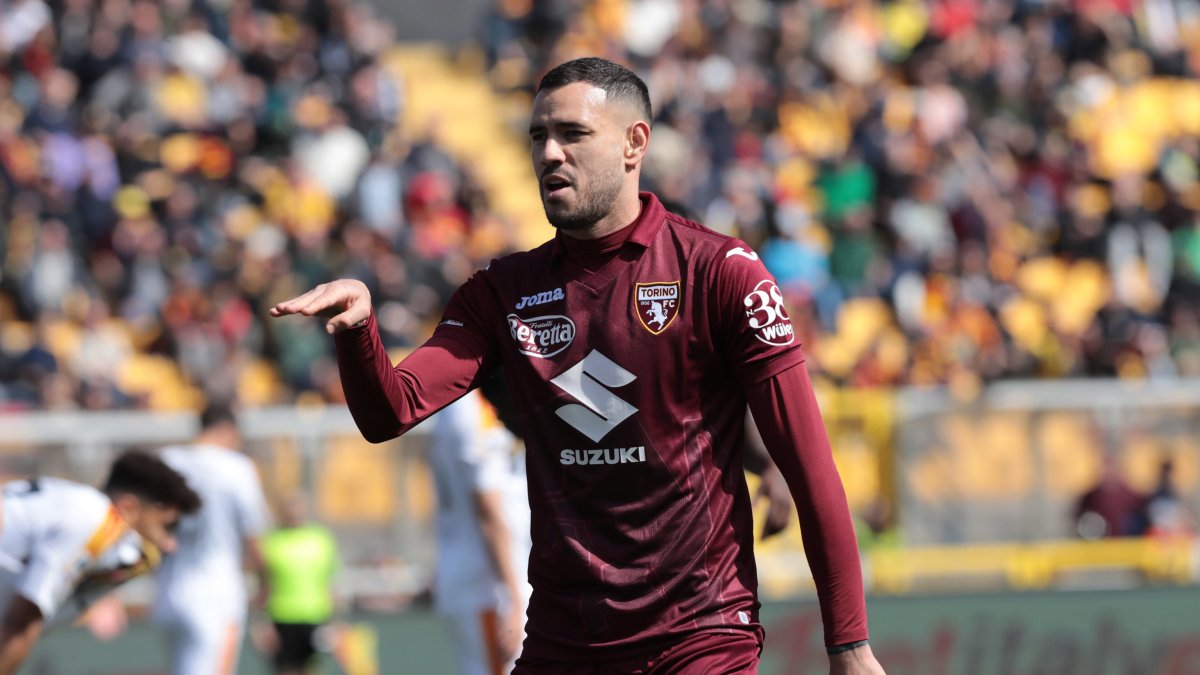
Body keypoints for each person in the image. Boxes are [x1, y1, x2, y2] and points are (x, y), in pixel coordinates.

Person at [272, 57, 885, 674]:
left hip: (700, 641)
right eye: (538, 136)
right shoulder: (502, 292)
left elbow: (811, 471)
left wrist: (850, 646)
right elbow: (389, 411)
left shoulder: (720, 272)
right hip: (564, 646)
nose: (549, 154)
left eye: (572, 133)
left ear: (633, 143)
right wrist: (358, 331)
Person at [0, 451, 201, 674]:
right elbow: (19, 627)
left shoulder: (77, 503)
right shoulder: (94, 518)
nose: (170, 545)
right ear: (129, 508)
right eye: (166, 527)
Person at [152, 401, 272, 675]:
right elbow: (255, 538)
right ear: (228, 430)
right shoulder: (237, 467)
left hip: (168, 592)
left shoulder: (167, 460)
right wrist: (266, 583)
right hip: (217, 596)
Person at [428, 384, 531, 675]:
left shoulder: (462, 403)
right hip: (488, 584)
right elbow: (487, 507)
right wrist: (512, 597)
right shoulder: (470, 407)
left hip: (489, 575)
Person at [258, 495, 340, 675]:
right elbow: (264, 585)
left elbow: (330, 583)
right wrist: (263, 622)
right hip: (282, 617)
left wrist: (334, 622)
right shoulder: (271, 541)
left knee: (312, 669)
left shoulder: (321, 540)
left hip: (315, 616)